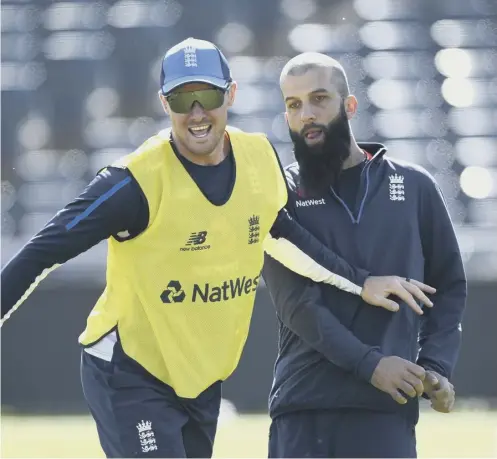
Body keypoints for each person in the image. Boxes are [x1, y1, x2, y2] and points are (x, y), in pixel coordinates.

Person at [1, 39, 435, 458]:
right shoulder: (131, 183)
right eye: (180, 99)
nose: (196, 113)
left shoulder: (259, 157)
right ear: (163, 102)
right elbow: (44, 251)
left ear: (231, 94)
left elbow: (283, 236)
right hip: (129, 372)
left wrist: (362, 284)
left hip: (201, 380)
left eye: (207, 94)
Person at [262, 52, 467, 458]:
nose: (306, 114)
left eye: (319, 99)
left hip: (385, 414)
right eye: (293, 104)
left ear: (350, 106)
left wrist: (435, 367)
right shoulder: (276, 195)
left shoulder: (414, 187)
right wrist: (371, 366)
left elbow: (449, 286)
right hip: (304, 409)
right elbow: (298, 306)